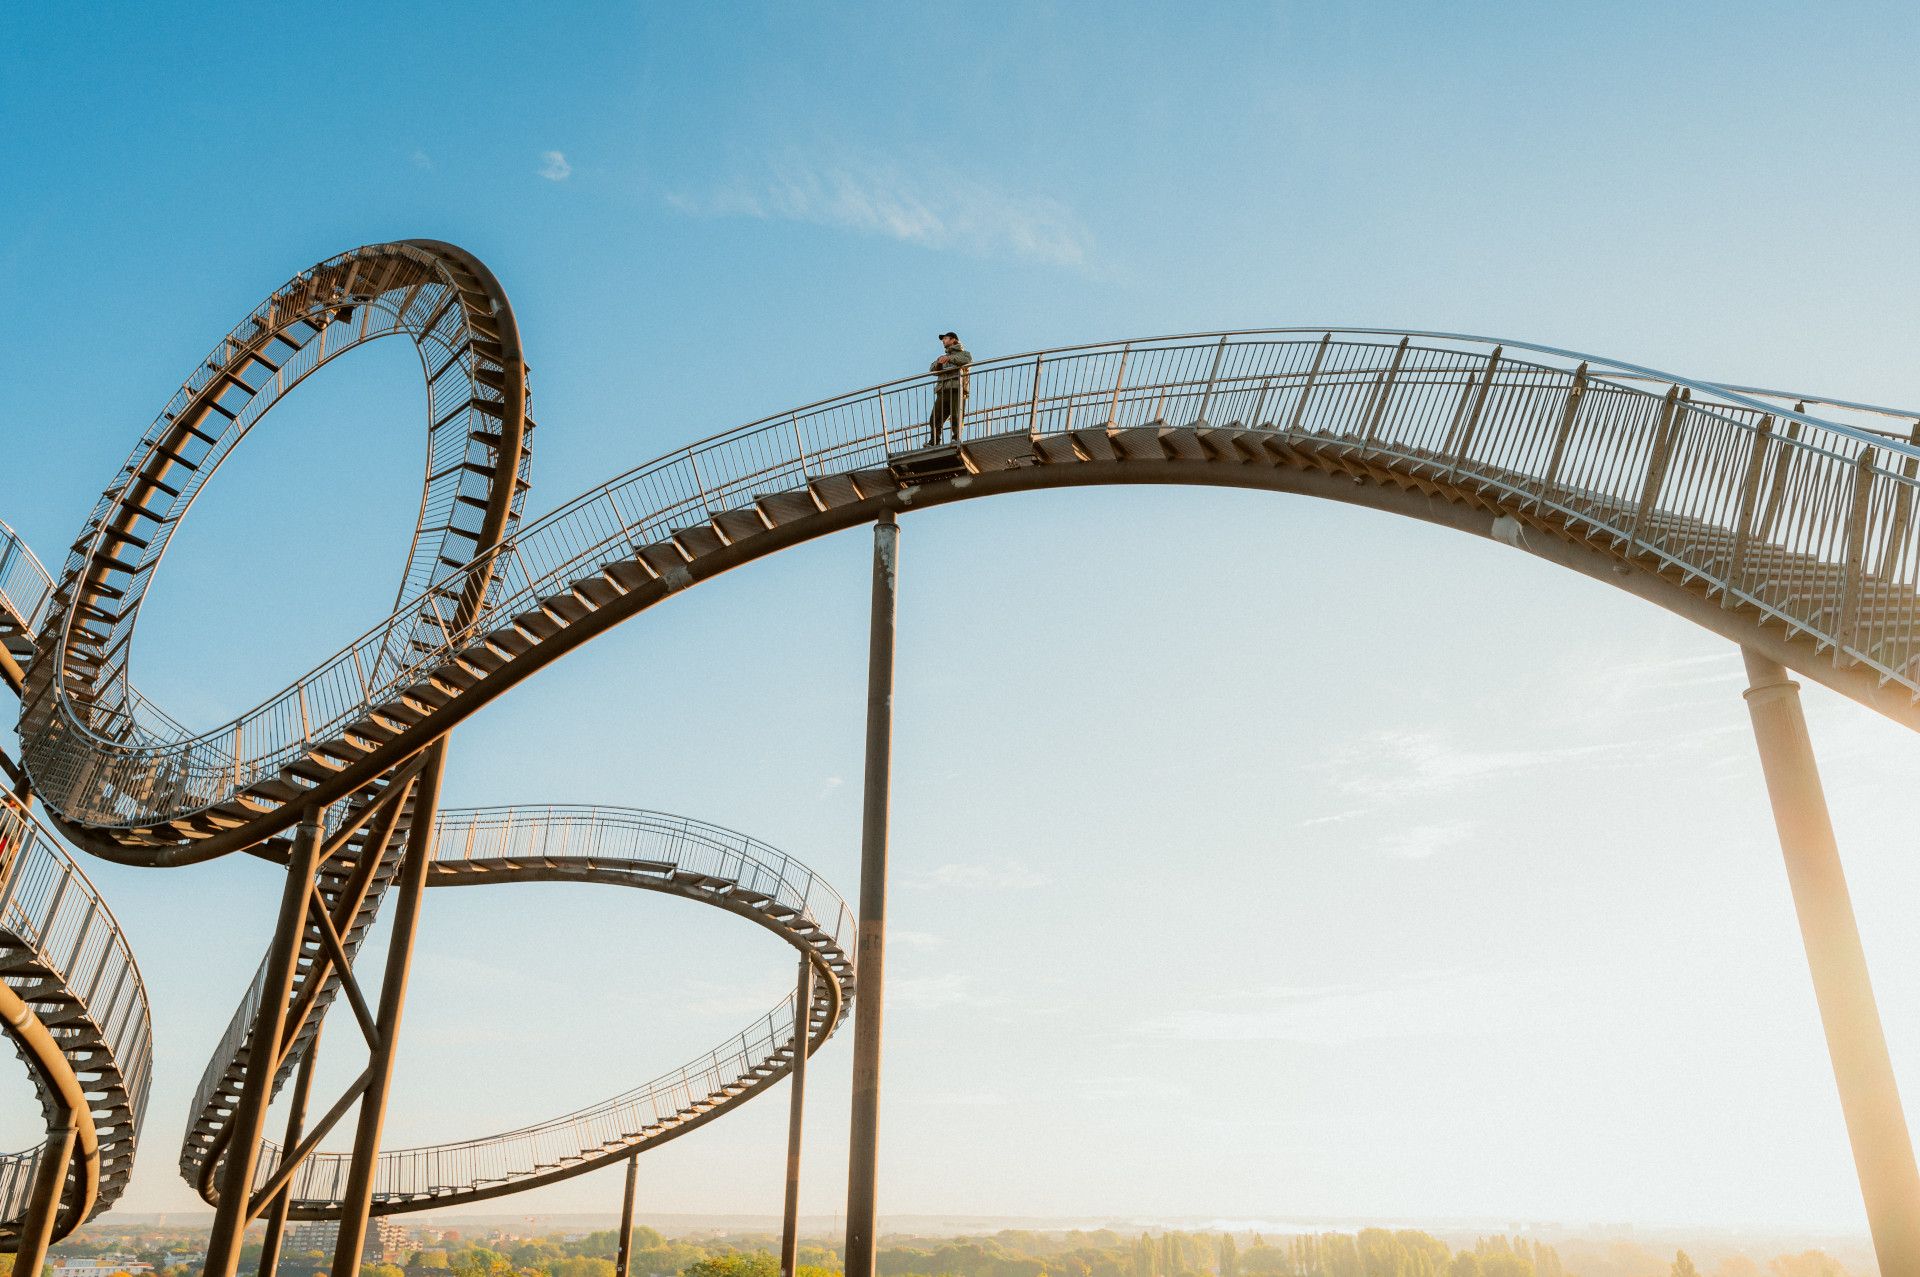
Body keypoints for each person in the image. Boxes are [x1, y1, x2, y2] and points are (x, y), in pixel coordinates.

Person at [925, 331, 972, 446]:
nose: (943, 341)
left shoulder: (965, 353)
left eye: (945, 338)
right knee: (935, 418)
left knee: (956, 416)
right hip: (943, 390)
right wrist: (939, 363)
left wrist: (949, 359)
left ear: (953, 340)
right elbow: (932, 369)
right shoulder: (942, 357)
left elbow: (967, 361)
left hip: (957, 389)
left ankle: (956, 439)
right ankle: (934, 441)